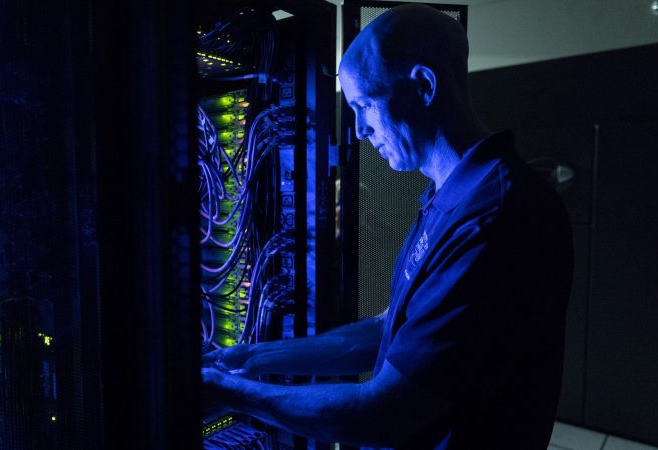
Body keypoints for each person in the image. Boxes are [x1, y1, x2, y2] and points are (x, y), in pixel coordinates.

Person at [202, 4, 573, 449]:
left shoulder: (494, 218)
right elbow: (388, 331)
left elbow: (384, 413)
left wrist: (228, 392)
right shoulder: (448, 197)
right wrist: (252, 358)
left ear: (423, 86)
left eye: (364, 105)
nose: (359, 130)